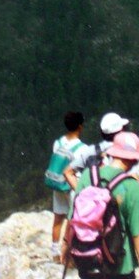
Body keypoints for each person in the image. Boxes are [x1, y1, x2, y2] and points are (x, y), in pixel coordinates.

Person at [62, 132, 139, 279]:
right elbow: (138, 233)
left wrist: (65, 244)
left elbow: (73, 216)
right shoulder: (134, 187)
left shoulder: (88, 176)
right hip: (119, 256)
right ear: (134, 159)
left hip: (89, 249)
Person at [48, 111, 86, 260]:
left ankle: (54, 249)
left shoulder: (57, 142)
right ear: (80, 126)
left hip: (57, 183)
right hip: (72, 184)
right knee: (72, 217)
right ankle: (67, 250)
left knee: (58, 217)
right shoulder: (82, 148)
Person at [64, 112, 128, 190]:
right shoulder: (128, 152)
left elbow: (67, 172)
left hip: (95, 200)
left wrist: (82, 195)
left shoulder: (91, 151)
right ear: (121, 131)